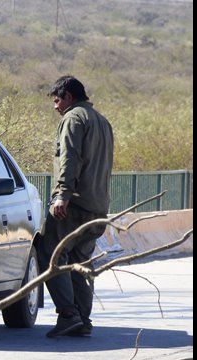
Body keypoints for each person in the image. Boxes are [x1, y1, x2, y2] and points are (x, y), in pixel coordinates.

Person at [37, 75, 114, 338]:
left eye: (57, 100)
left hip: (75, 204)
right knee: (81, 262)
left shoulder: (73, 119)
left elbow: (70, 158)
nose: (55, 106)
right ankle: (82, 320)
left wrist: (62, 195)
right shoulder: (102, 121)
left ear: (68, 97)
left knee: (51, 253)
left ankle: (68, 314)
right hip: (98, 206)